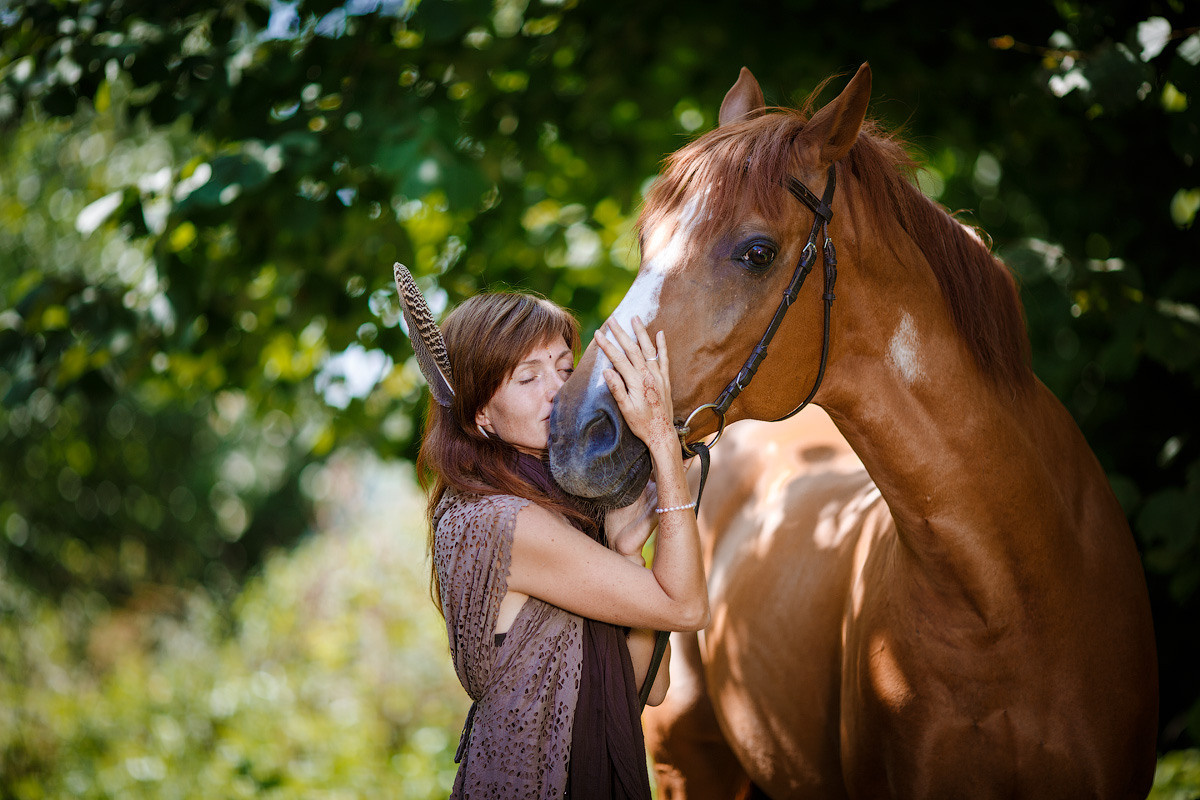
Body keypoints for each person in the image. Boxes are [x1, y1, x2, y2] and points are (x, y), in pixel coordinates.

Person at [409, 285, 708, 800]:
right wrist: (660, 438)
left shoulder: (558, 515)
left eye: (566, 370)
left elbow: (648, 688)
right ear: (480, 413)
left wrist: (626, 553)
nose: (557, 391)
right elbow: (686, 607)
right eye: (528, 377)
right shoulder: (502, 522)